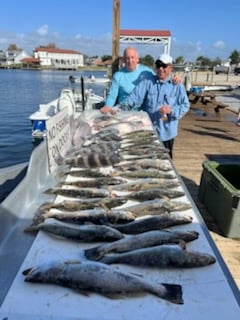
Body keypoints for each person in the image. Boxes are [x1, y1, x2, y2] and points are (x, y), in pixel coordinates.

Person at [112, 53, 190, 159]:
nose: (161, 69)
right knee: (147, 159)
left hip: (167, 133)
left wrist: (171, 110)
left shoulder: (177, 85)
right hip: (149, 132)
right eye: (158, 65)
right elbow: (132, 99)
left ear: (170, 67)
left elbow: (185, 105)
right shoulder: (147, 82)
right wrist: (117, 110)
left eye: (164, 66)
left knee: (166, 162)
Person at [100, 47, 181, 113]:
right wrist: (108, 106)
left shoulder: (146, 71)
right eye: (127, 58)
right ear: (124, 60)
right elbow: (112, 96)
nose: (130, 61)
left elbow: (161, 78)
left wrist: (174, 76)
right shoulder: (118, 75)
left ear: (137, 59)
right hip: (124, 111)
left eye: (132, 57)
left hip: (143, 113)